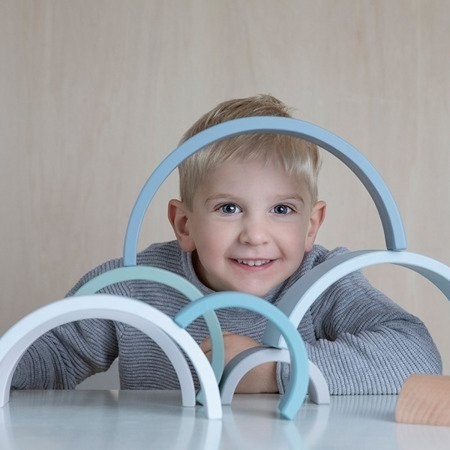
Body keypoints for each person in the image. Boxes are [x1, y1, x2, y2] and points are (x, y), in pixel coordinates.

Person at [12, 95, 441, 395]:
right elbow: (48, 355)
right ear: (184, 224)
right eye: (229, 208)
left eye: (282, 210)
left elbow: (416, 354)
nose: (255, 234)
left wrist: (274, 369)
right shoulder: (136, 286)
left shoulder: (323, 283)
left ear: (312, 226)